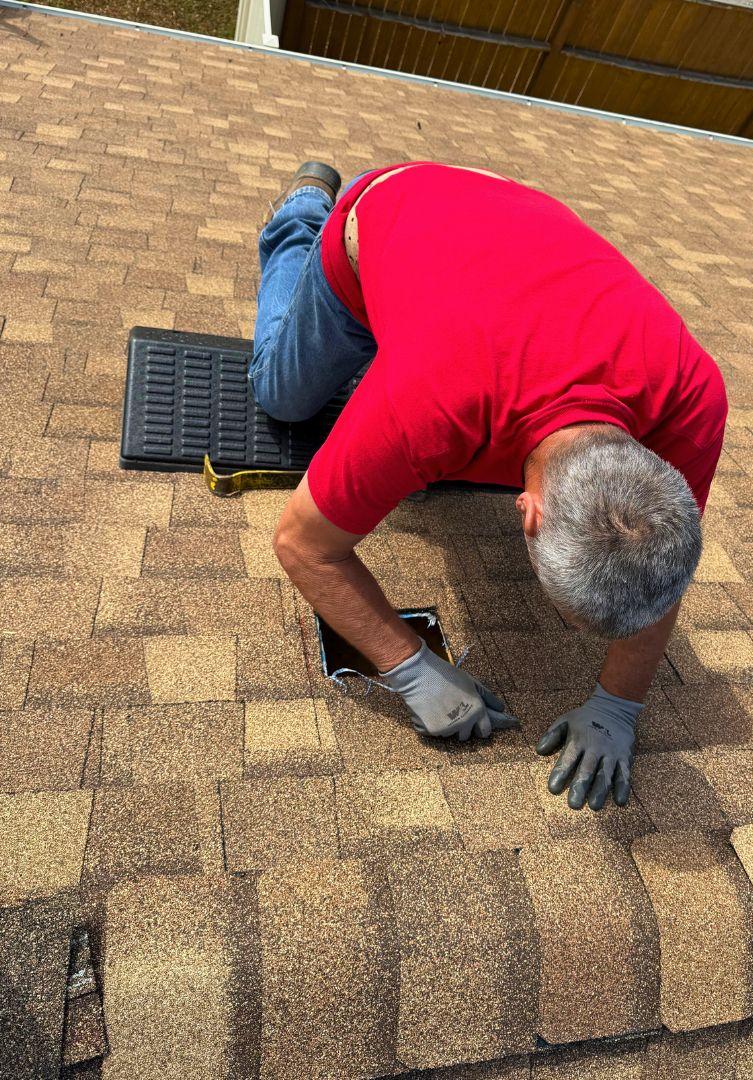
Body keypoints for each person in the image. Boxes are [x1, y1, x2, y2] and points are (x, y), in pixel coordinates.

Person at [257, 161, 728, 812]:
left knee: (426, 449)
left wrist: (619, 705)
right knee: (281, 397)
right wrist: (408, 667)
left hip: (507, 228)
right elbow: (302, 544)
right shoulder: (432, 405)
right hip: (398, 204)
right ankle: (302, 214)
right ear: (526, 513)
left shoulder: (692, 398)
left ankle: (395, 319)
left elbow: (661, 572)